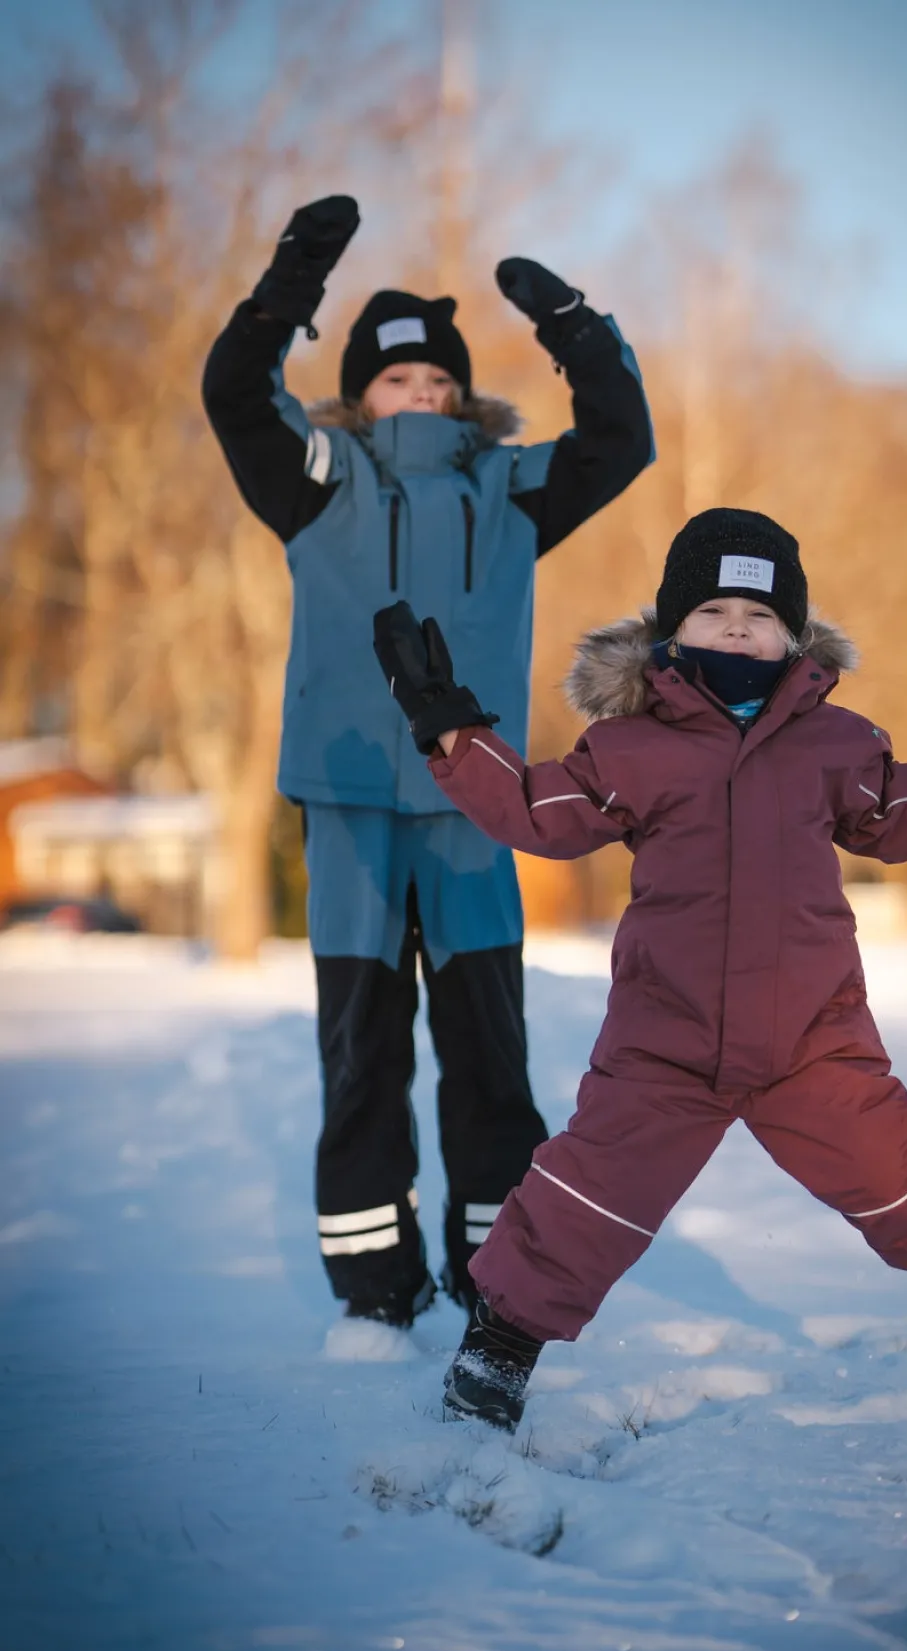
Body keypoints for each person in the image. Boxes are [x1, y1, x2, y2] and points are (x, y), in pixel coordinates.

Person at [373, 506, 907, 1427]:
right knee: (584, 1193)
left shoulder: (837, 741)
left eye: (761, 617)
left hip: (809, 1039)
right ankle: (502, 1342)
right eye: (714, 613)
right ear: (671, 632)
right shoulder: (632, 745)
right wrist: (450, 732)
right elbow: (535, 807)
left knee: (891, 1157)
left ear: (796, 636)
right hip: (663, 1041)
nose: (738, 629)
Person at [202, 195, 653, 1328]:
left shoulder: (510, 488)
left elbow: (621, 438)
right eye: (401, 381)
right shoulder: (316, 474)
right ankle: (375, 1287)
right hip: (349, 797)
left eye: (440, 383)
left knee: (488, 1052)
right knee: (361, 1055)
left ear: (463, 398)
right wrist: (293, 278)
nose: (422, 395)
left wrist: (573, 325)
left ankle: (500, 1270)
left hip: (474, 801)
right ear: (361, 394)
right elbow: (230, 391)